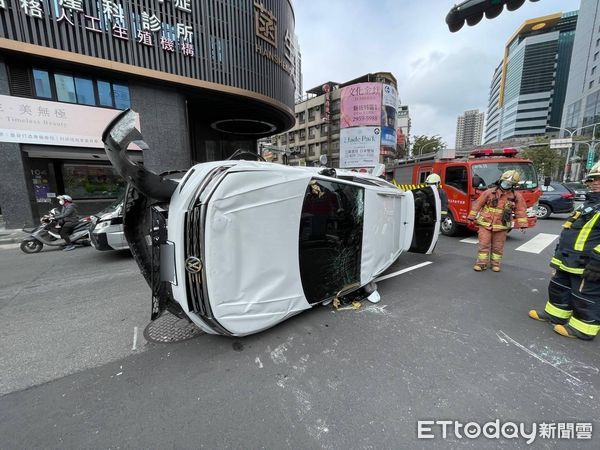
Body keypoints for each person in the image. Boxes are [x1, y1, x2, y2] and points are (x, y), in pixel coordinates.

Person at [528, 163, 600, 340]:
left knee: (585, 296)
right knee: (559, 287)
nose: (595, 183)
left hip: (589, 263)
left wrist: (598, 262)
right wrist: (558, 255)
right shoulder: (590, 204)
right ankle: (556, 314)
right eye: (593, 179)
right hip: (569, 259)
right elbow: (570, 230)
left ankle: (583, 329)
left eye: (599, 179)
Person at [467, 170, 528, 272]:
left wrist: (522, 224)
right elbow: (478, 204)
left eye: (510, 184)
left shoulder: (515, 196)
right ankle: (482, 264)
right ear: (501, 180)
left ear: (513, 185)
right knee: (484, 244)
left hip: (501, 225)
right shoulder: (489, 192)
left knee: (498, 247)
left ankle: (495, 264)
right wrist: (471, 218)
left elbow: (520, 210)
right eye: (505, 182)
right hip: (485, 223)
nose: (507, 184)